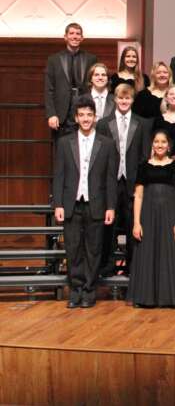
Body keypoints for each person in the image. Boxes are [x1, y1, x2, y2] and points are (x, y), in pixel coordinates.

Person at [52, 96, 117, 308]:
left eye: (89, 115)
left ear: (95, 117)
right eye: (82, 115)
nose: (86, 118)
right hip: (71, 203)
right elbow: (59, 175)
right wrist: (59, 204)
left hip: (96, 204)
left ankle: (90, 290)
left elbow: (110, 178)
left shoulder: (106, 144)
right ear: (76, 118)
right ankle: (76, 289)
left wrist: (110, 207)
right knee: (72, 248)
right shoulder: (64, 142)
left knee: (94, 248)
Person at [128, 130, 175, 307]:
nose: (159, 145)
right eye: (156, 142)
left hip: (169, 216)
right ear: (152, 144)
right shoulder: (144, 166)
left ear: (169, 145)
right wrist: (136, 222)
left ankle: (169, 297)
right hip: (148, 216)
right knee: (148, 253)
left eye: (163, 142)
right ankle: (147, 297)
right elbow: (139, 196)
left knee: (169, 252)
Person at [96, 84, 151, 277]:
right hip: (111, 182)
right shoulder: (103, 124)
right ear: (115, 100)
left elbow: (145, 156)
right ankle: (108, 266)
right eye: (120, 98)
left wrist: (140, 184)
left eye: (127, 98)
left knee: (131, 225)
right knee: (109, 226)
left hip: (132, 183)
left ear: (132, 100)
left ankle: (132, 267)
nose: (124, 101)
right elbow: (100, 156)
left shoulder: (142, 123)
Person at [45, 23, 98, 137]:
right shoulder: (54, 59)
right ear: (65, 37)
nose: (75, 36)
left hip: (83, 108)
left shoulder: (91, 59)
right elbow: (49, 89)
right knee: (62, 150)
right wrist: (51, 114)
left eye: (78, 34)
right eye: (72, 33)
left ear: (82, 38)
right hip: (61, 114)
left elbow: (95, 85)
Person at [66, 63, 114, 132]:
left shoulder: (116, 101)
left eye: (103, 75)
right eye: (96, 75)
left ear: (108, 79)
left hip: (110, 141)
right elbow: (71, 125)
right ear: (91, 78)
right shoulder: (79, 100)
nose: (100, 78)